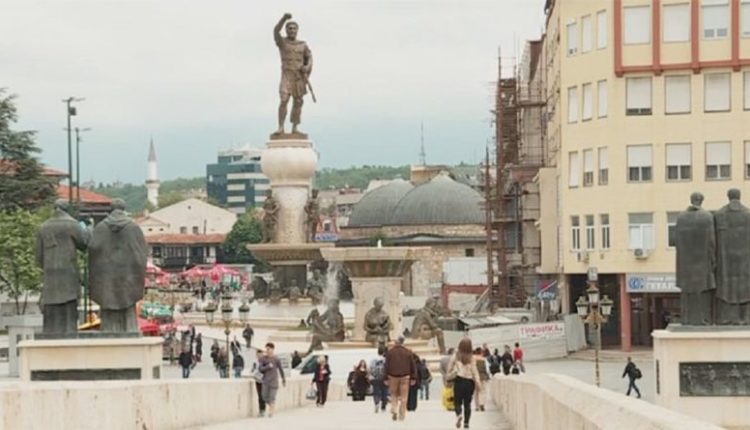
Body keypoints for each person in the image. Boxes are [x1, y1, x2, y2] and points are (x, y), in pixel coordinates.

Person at [447, 339, 482, 429]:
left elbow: (449, 368)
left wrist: (449, 376)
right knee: (467, 403)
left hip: (459, 380)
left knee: (457, 402)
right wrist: (478, 384)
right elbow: (475, 372)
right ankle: (466, 423)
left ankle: (459, 414)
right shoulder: (472, 358)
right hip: (469, 383)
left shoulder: (456, 356)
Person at [384, 336, 416, 422]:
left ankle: (394, 409)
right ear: (403, 342)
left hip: (392, 376)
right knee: (404, 397)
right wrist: (413, 377)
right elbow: (413, 365)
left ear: (396, 342)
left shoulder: (390, 352)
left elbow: (386, 366)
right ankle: (402, 415)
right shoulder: (408, 352)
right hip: (405, 377)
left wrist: (385, 378)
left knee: (393, 394)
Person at [259, 342, 286, 418]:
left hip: (274, 382)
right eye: (266, 349)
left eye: (269, 349)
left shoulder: (276, 359)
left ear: (272, 349)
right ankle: (271, 406)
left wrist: (284, 379)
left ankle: (271, 411)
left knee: (272, 397)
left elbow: (281, 370)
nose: (267, 351)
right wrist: (268, 366)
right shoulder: (263, 359)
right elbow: (260, 369)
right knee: (264, 397)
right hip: (265, 381)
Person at [369, 346, 389, 413]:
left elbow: (371, 369)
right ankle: (383, 406)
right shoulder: (386, 360)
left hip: (375, 378)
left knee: (376, 391)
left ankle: (376, 403)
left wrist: (372, 376)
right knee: (384, 391)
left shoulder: (373, 360)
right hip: (384, 378)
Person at [252, 350, 267, 417]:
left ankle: (263, 410)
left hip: (263, 380)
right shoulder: (255, 362)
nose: (259, 356)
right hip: (257, 380)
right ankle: (261, 410)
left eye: (260, 355)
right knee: (259, 396)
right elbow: (253, 369)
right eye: (257, 355)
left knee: (262, 396)